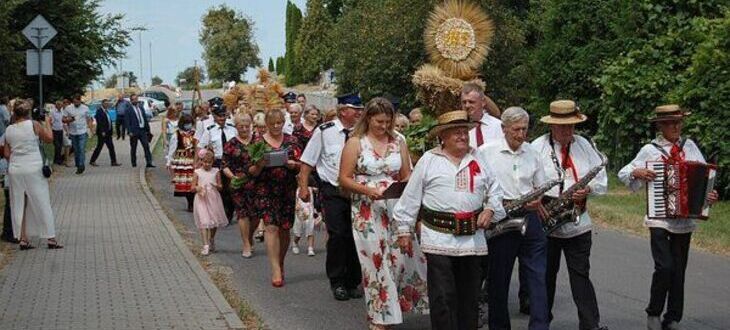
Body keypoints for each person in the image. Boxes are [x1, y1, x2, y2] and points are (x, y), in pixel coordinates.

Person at [393, 109, 505, 330]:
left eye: (465, 132)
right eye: (456, 132)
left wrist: (491, 209)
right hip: (439, 239)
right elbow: (411, 198)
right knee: (443, 297)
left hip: (473, 240)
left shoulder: (477, 157)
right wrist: (404, 230)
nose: (463, 136)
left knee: (470, 297)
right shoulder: (429, 160)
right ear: (443, 136)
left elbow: (496, 190)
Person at [617, 104, 719, 330]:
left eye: (678, 122)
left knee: (679, 269)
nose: (675, 127)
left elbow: (703, 178)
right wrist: (638, 172)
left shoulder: (689, 146)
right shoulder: (650, 150)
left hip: (684, 220)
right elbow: (624, 173)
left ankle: (672, 317)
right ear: (660, 126)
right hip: (660, 217)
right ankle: (654, 312)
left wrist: (708, 196)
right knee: (664, 267)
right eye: (671, 123)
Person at [339, 97, 428, 328]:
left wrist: (404, 189)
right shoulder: (356, 142)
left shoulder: (399, 141)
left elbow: (407, 174)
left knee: (398, 260)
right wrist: (367, 190)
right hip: (367, 211)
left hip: (395, 206)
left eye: (388, 121)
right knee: (376, 263)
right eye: (379, 121)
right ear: (368, 118)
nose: (384, 126)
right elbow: (344, 178)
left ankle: (394, 308)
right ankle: (379, 318)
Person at [531, 100, 608, 330]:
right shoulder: (537, 147)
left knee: (580, 275)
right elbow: (527, 180)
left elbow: (601, 179)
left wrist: (589, 189)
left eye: (572, 126)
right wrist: (537, 204)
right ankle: (542, 323)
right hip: (548, 217)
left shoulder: (584, 144)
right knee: (546, 277)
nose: (568, 131)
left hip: (578, 220)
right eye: (563, 126)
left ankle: (590, 324)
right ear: (552, 126)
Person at [478, 107, 550, 330]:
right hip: (502, 218)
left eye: (525, 129)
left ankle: (540, 325)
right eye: (516, 129)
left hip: (530, 218)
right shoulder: (485, 152)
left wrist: (537, 199)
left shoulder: (532, 152)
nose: (521, 134)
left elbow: (540, 185)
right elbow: (481, 187)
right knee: (499, 279)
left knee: (538, 276)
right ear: (503, 129)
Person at [299, 93, 364, 300]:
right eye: (356, 109)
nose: (359, 113)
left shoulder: (362, 133)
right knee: (337, 235)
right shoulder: (324, 131)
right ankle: (337, 281)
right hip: (333, 190)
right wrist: (303, 187)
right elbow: (308, 161)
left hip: (357, 192)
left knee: (356, 235)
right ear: (343, 111)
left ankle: (353, 280)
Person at [245, 110, 301, 287]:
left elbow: (302, 165)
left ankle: (280, 261)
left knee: (285, 229)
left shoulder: (292, 141)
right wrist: (260, 164)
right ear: (266, 124)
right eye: (273, 123)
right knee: (270, 227)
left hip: (286, 189)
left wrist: (293, 165)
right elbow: (250, 171)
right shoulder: (258, 142)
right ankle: (275, 269)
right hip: (265, 189)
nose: (277, 126)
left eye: (280, 123)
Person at [3, 101, 62, 250]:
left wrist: (17, 160)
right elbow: (49, 138)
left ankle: (23, 239)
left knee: (19, 203)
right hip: (33, 167)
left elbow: (6, 153)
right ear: (28, 113)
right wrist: (47, 122)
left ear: (15, 114)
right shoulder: (33, 124)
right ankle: (51, 238)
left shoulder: (9, 129)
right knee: (41, 201)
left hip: (15, 169)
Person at [222, 112, 259, 258]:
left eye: (246, 126)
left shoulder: (257, 141)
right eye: (240, 126)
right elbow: (224, 164)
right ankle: (246, 244)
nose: (244, 129)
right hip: (238, 183)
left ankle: (249, 236)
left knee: (256, 215)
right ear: (236, 127)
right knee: (242, 214)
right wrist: (233, 177)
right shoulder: (231, 143)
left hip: (256, 182)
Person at [198, 105, 237, 222]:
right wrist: (200, 160)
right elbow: (201, 146)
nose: (222, 118)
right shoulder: (210, 130)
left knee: (231, 188)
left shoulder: (232, 128)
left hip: (231, 161)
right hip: (217, 161)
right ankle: (221, 212)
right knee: (220, 188)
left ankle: (229, 212)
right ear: (214, 117)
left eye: (224, 116)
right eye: (219, 116)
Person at [193, 148, 229, 256]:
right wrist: (198, 188)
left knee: (213, 221)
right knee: (204, 221)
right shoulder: (197, 172)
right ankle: (205, 245)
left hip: (213, 198)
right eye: (204, 162)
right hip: (201, 199)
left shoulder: (216, 171)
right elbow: (192, 186)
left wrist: (217, 186)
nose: (206, 164)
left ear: (212, 162)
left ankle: (211, 239)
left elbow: (221, 186)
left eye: (209, 162)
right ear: (201, 161)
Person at [167, 114, 197, 212]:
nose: (188, 125)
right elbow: (172, 149)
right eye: (186, 123)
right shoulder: (177, 134)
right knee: (186, 183)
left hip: (193, 160)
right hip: (182, 161)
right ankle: (190, 203)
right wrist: (169, 162)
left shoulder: (195, 134)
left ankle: (193, 202)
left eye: (190, 123)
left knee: (193, 181)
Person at [462, 82, 503, 149]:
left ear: (483, 102)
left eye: (471, 102)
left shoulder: (498, 126)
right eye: (464, 102)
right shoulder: (460, 129)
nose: (467, 105)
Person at [62, 95, 93, 174]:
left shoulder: (85, 108)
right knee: (76, 149)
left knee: (81, 148)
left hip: (83, 131)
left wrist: (90, 129)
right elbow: (63, 119)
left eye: (77, 102)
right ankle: (78, 163)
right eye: (74, 102)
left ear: (80, 101)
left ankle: (81, 165)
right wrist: (69, 119)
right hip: (73, 132)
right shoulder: (68, 108)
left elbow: (89, 119)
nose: (75, 103)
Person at [125, 93, 155, 168]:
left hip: (142, 131)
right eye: (134, 99)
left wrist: (148, 129)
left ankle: (149, 162)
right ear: (131, 101)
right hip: (134, 131)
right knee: (134, 148)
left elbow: (144, 118)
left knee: (146, 146)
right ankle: (134, 163)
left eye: (136, 99)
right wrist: (129, 131)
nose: (136, 100)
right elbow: (127, 122)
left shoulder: (141, 107)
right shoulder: (128, 109)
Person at [89, 99, 119, 167]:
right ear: (102, 104)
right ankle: (92, 160)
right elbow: (99, 122)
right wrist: (102, 131)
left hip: (108, 133)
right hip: (102, 133)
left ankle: (113, 161)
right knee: (99, 147)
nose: (107, 104)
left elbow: (108, 121)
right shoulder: (99, 111)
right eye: (105, 103)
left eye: (107, 103)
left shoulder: (106, 111)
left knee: (111, 147)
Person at [292, 186, 317, 256]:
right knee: (298, 233)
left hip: (309, 213)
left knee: (310, 230)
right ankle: (295, 243)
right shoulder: (297, 190)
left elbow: (318, 190)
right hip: (299, 214)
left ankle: (310, 248)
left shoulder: (310, 189)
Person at [51, 101, 65, 165]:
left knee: (60, 145)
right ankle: (58, 160)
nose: (61, 106)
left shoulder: (62, 111)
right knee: (57, 145)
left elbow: (63, 120)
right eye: (60, 105)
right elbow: (51, 121)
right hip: (55, 130)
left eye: (61, 105)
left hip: (60, 130)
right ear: (57, 105)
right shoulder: (53, 112)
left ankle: (57, 159)